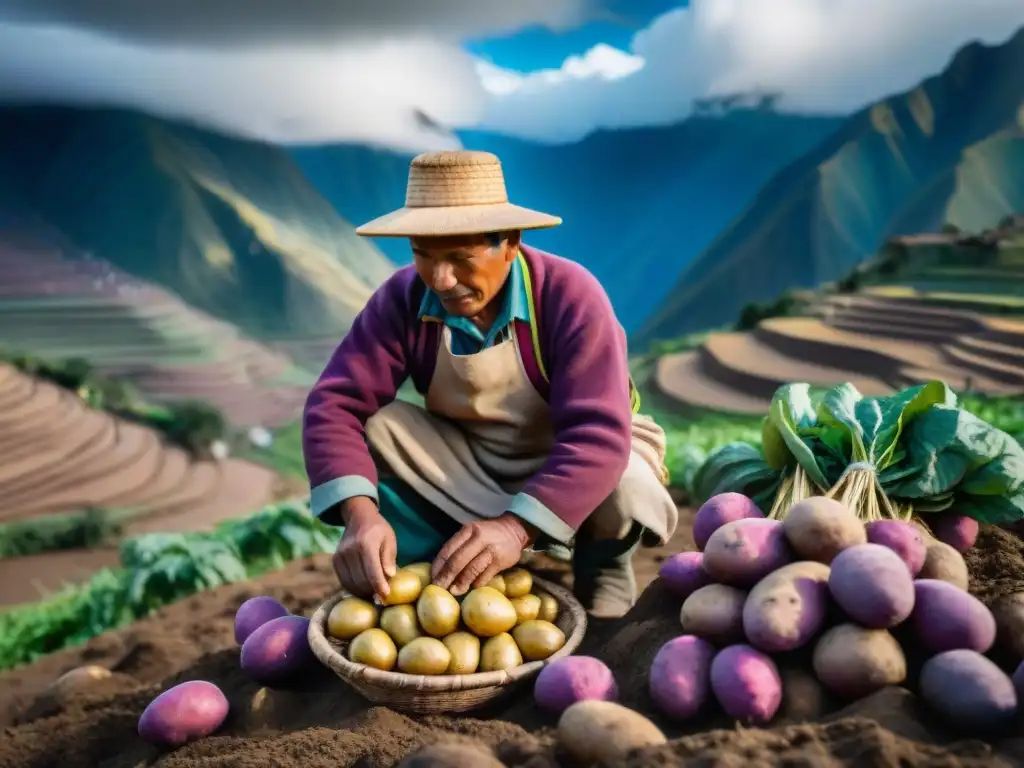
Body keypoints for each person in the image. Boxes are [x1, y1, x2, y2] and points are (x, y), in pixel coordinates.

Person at [302, 150, 678, 619]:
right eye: (423, 255)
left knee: (622, 481)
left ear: (511, 243)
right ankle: (443, 553)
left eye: (461, 257)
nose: (440, 279)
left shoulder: (571, 297)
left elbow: (596, 436)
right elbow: (335, 404)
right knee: (377, 425)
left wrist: (515, 530)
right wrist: (359, 515)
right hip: (471, 456)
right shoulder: (402, 300)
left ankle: (602, 561)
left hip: (573, 453)